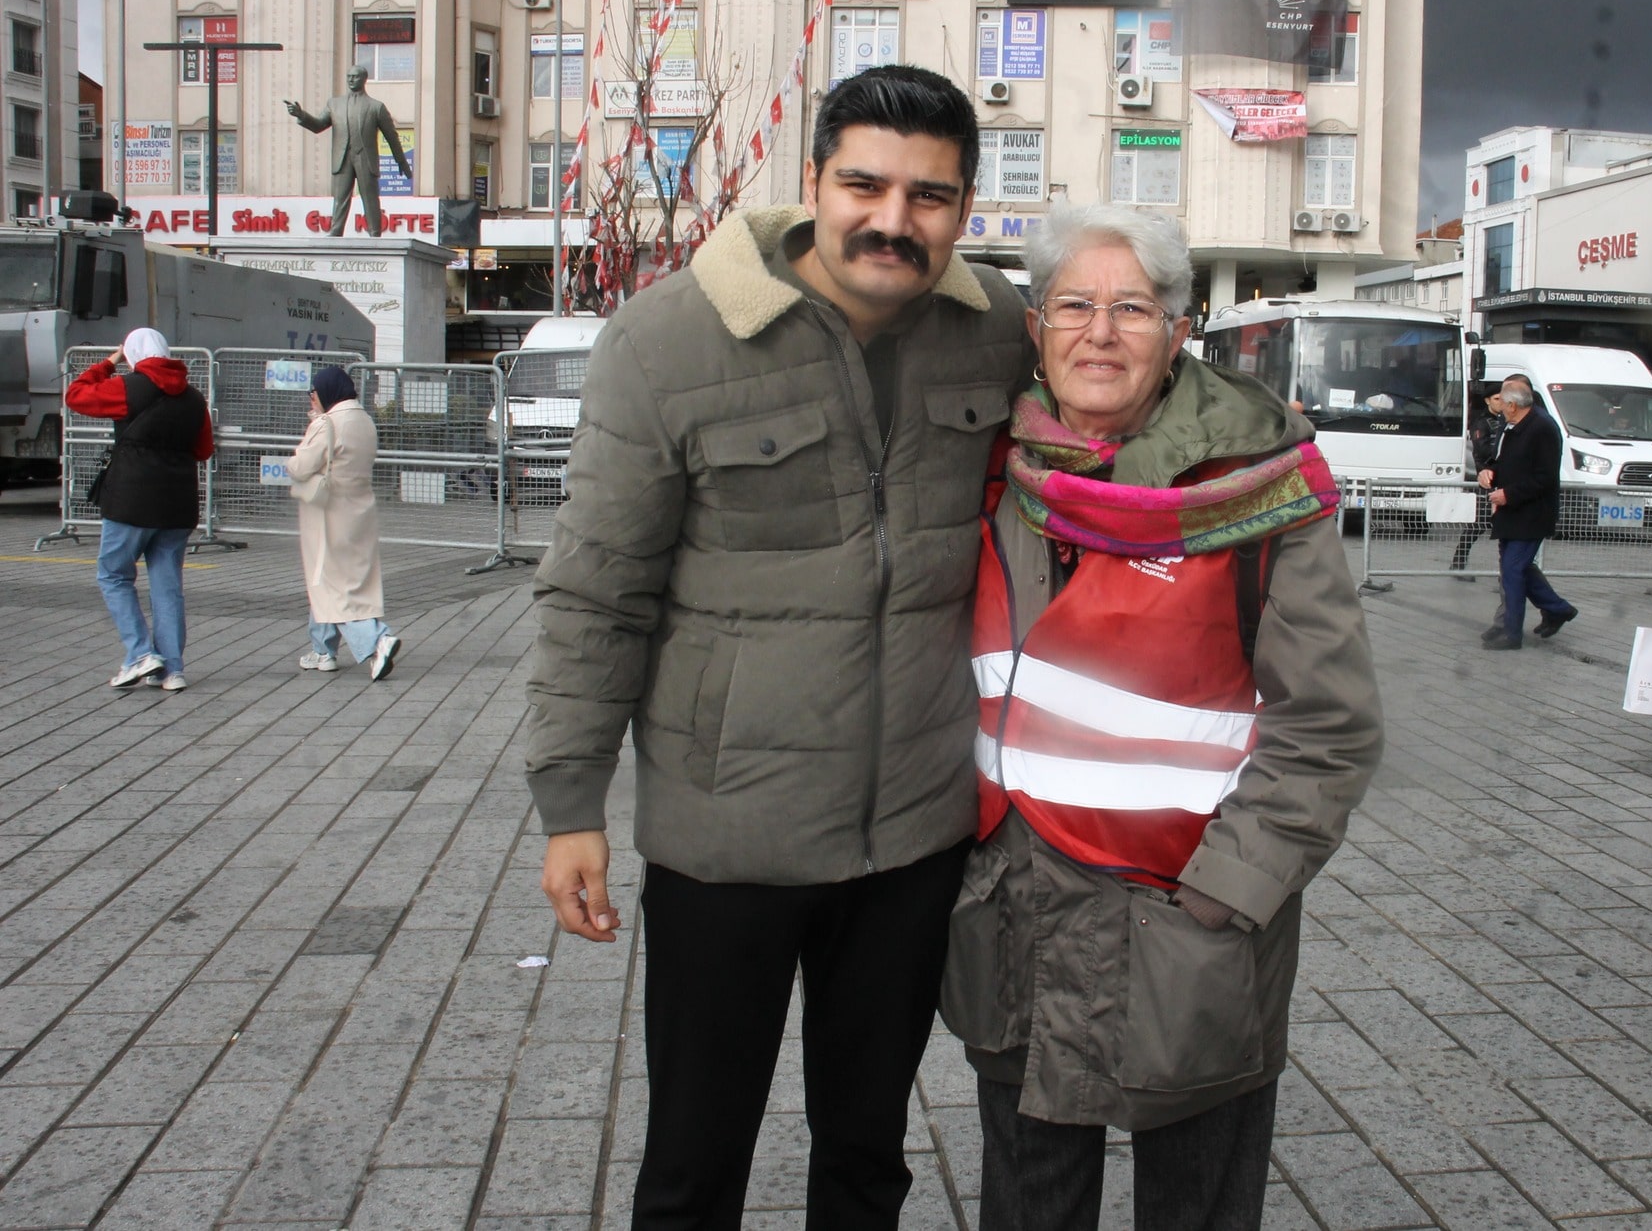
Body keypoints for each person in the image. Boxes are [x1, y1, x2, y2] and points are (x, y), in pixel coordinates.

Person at [525, 65, 1030, 1229]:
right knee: (693, 1167)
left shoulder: (996, 330)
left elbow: (1126, 398)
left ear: (964, 208)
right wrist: (569, 804)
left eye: (929, 196)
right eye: (864, 185)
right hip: (727, 839)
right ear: (811, 182)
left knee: (866, 1158)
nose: (893, 220)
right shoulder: (667, 341)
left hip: (913, 832)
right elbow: (596, 590)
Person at [941, 203, 1381, 1231]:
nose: (1100, 333)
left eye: (1132, 308)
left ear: (1178, 331)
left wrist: (1232, 891)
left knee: (1197, 1203)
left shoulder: (1257, 486)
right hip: (1016, 914)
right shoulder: (989, 469)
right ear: (1036, 329)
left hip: (1190, 923)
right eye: (1074, 306)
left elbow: (1329, 722)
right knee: (1027, 1202)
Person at [63, 327, 214, 692]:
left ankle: (140, 654)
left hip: (131, 501)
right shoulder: (194, 398)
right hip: (177, 505)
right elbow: (204, 449)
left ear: (133, 354)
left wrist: (108, 362)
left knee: (113, 575)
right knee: (167, 586)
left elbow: (76, 395)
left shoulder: (128, 387)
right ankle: (172, 670)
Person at [287, 366, 400, 680]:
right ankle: (323, 648)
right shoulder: (363, 420)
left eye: (313, 392)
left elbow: (302, 466)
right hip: (359, 511)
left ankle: (377, 639)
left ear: (326, 391)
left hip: (329, 514)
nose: (311, 398)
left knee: (333, 586)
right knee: (336, 580)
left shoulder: (328, 423)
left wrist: (293, 457)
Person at [1480, 374, 1575, 649]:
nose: (1499, 407)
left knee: (1513, 569)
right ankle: (1557, 609)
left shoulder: (1542, 427)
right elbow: (1504, 461)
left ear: (1513, 405)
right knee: (1517, 568)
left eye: (1502, 401)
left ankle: (1512, 633)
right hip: (1511, 511)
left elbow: (1545, 477)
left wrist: (1508, 494)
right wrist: (1489, 472)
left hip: (1531, 512)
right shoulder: (1512, 424)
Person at [285, 65, 412, 237]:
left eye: (355, 76)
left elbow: (392, 137)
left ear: (364, 79)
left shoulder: (376, 107)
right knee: (340, 198)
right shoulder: (334, 104)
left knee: (370, 198)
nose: (351, 80)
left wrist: (401, 161)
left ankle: (374, 233)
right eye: (349, 76)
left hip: (365, 158)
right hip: (342, 158)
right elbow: (318, 125)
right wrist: (301, 115)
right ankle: (336, 230)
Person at [1450, 387, 1505, 578]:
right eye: (1497, 399)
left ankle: (1505, 572)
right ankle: (1458, 563)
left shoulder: (1506, 421)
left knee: (1505, 526)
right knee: (1478, 524)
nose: (1501, 402)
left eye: (1503, 399)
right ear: (1488, 401)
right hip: (1487, 480)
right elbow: (1481, 451)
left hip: (1503, 479)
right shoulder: (1482, 423)